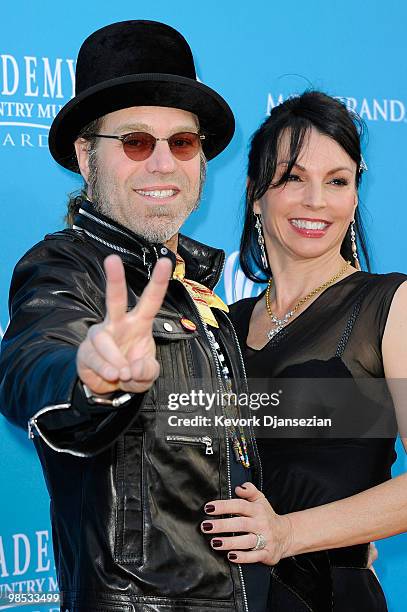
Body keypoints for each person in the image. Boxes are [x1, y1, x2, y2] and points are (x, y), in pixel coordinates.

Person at [0, 20, 265, 612]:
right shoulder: (66, 270)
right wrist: (91, 377)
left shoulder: (197, 290)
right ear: (84, 154)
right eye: (137, 142)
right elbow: (32, 363)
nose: (163, 164)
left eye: (184, 143)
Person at [201, 91, 407, 611]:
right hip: (225, 598)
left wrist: (288, 534)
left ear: (355, 196)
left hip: (329, 598)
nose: (317, 200)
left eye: (338, 181)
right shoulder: (225, 323)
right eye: (293, 177)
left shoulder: (390, 305)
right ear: (255, 194)